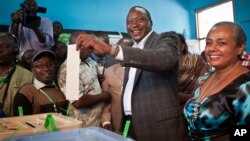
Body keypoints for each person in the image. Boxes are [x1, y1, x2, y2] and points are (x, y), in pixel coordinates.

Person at [76, 6, 187, 141]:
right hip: (130, 124)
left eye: (140, 20)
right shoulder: (133, 51)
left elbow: (163, 59)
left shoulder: (165, 39)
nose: (134, 24)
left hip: (160, 127)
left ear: (151, 23)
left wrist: (110, 49)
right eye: (129, 22)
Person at [183, 21, 250, 140]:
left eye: (222, 43)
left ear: (240, 48)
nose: (212, 48)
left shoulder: (246, 86)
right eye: (208, 43)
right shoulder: (204, 78)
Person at [58, 32, 110, 127]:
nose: (90, 50)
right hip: (82, 125)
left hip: (96, 122)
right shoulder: (70, 68)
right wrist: (103, 96)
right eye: (86, 47)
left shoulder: (88, 60)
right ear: (74, 46)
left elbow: (100, 74)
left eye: (90, 46)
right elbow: (78, 102)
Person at [13, 50, 68, 116]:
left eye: (50, 64)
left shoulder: (62, 87)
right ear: (32, 69)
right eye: (40, 66)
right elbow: (20, 120)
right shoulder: (25, 93)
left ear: (55, 66)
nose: (46, 68)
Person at [100, 37, 134, 132]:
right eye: (117, 49)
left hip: (140, 123)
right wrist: (106, 121)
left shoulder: (143, 71)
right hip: (117, 124)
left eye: (122, 50)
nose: (118, 53)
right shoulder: (108, 72)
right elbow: (106, 100)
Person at [0, 32, 33, 117]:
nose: (0, 50)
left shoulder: (28, 76)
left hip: (14, 126)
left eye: (4, 46)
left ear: (16, 50)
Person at [176, 33, 208, 107]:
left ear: (182, 46)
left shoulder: (196, 60)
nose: (170, 48)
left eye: (174, 44)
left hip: (197, 105)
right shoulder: (162, 66)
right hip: (170, 108)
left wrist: (192, 97)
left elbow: (207, 80)